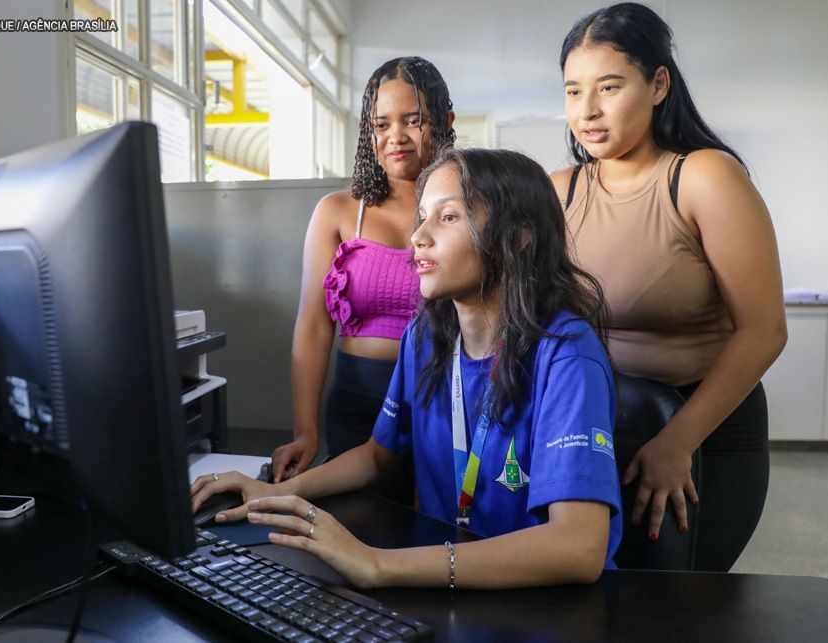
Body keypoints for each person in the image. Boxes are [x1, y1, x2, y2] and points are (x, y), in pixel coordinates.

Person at [193, 148, 621, 588]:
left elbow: (579, 547)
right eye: (421, 216)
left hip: (545, 603)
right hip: (449, 581)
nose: (418, 235)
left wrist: (377, 564)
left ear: (518, 238)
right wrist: (276, 491)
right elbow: (380, 454)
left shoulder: (566, 355)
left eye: (449, 217)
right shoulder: (426, 335)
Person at [550, 2, 787, 571]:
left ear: (658, 84)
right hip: (597, 423)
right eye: (573, 91)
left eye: (609, 87)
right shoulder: (557, 190)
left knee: (682, 610)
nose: (588, 110)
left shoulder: (705, 177)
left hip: (701, 429)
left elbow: (764, 332)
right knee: (600, 600)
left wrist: (678, 441)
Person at [270, 57, 456, 489]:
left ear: (445, 121)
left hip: (444, 402)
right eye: (381, 124)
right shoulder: (337, 212)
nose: (396, 138)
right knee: (359, 528)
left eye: (413, 121)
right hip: (356, 405)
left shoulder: (467, 208)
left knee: (433, 533)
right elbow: (314, 325)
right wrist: (306, 430)